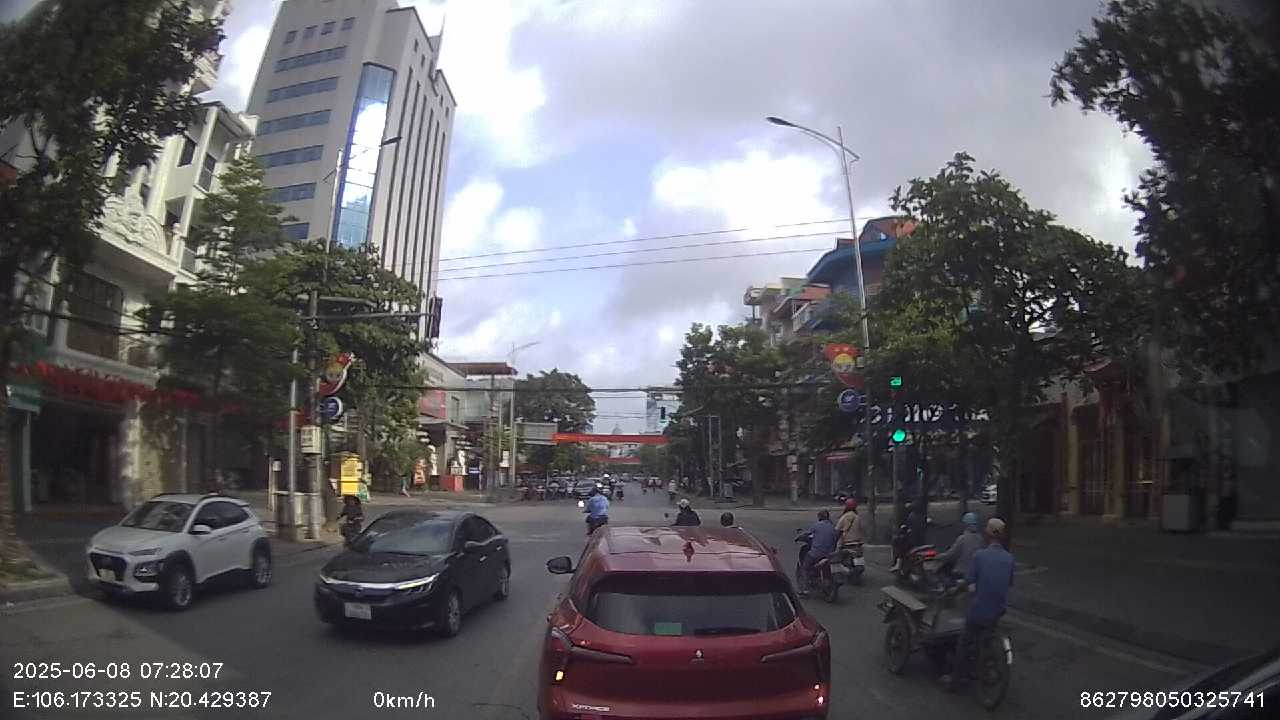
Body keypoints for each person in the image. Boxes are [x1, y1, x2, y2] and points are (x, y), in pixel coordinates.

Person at [943, 518, 1015, 688]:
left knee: (964, 641)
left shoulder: (980, 556)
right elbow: (1009, 582)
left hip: (979, 610)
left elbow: (968, 582)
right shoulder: (1010, 558)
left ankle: (955, 679)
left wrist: (954, 591)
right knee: (986, 632)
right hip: (998, 609)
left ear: (987, 534)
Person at [936, 512, 983, 579]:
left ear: (965, 524)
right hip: (975, 573)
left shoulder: (962, 538)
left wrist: (938, 556)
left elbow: (951, 555)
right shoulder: (980, 538)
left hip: (961, 572)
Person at [800, 510, 837, 595]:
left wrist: (800, 536)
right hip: (829, 554)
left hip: (815, 553)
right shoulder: (832, 527)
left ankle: (805, 589)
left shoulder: (817, 525)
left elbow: (807, 533)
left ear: (819, 517)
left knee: (805, 568)